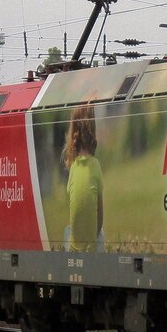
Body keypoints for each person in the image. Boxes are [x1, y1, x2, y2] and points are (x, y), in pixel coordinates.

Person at [63, 105, 103, 252]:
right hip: (91, 247)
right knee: (101, 232)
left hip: (73, 247)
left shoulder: (73, 168)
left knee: (68, 230)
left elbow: (75, 210)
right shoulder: (95, 165)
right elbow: (100, 215)